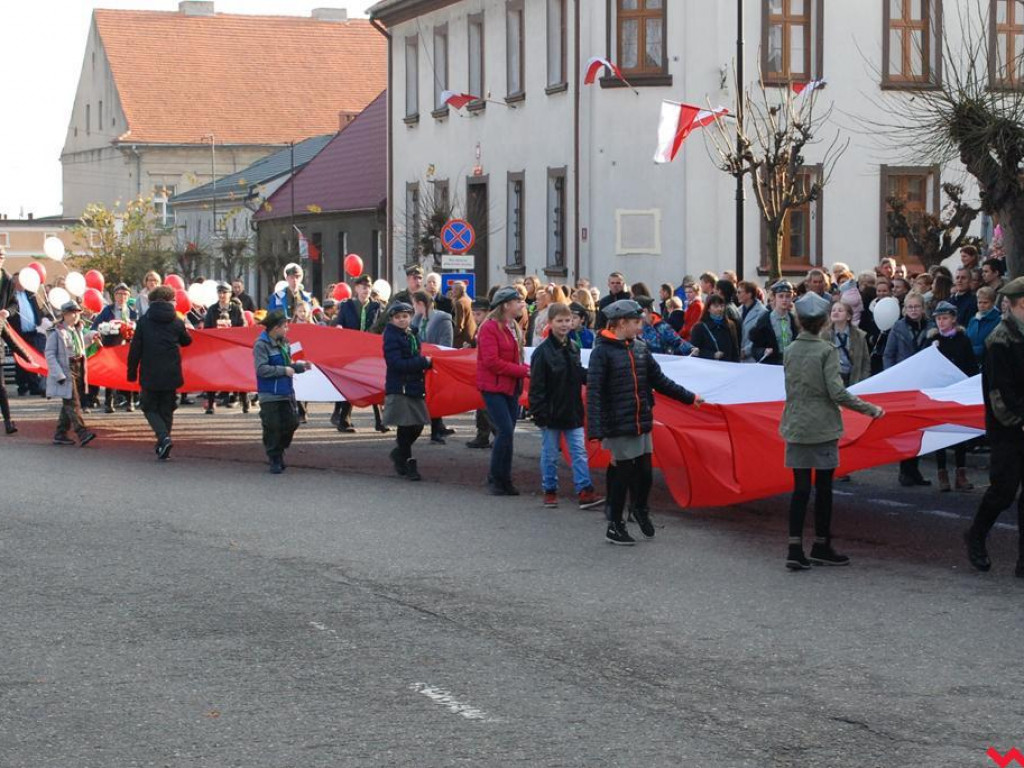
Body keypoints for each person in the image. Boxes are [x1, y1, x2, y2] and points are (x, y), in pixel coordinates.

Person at [781, 292, 884, 570]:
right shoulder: (826, 351)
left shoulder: (790, 350)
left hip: (796, 423)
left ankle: (794, 547)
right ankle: (821, 544)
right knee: (824, 488)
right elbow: (836, 392)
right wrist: (869, 409)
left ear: (799, 321)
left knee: (800, 489)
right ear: (825, 321)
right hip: (823, 426)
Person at [587, 299, 703, 545]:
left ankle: (639, 509)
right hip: (618, 423)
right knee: (623, 475)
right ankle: (615, 524)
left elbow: (660, 380)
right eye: (636, 322)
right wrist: (596, 429)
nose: (641, 326)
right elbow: (595, 392)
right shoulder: (602, 352)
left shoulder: (640, 348)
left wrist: (689, 397)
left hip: (641, 421)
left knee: (645, 474)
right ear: (621, 323)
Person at [964, 277, 1024, 578]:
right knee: (1003, 491)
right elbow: (999, 394)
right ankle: (976, 535)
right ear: (1021, 304)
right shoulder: (1000, 340)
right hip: (1008, 429)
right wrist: (1019, 422)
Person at [528, 302, 604, 509]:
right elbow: (536, 386)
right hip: (551, 412)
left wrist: (597, 379)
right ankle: (550, 490)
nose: (564, 325)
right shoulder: (542, 352)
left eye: (567, 320)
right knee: (550, 454)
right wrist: (538, 413)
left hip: (572, 409)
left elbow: (578, 374)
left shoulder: (573, 347)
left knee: (579, 451)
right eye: (559, 321)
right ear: (550, 323)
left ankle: (584, 490)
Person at [126, 285, 192, 460]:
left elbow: (135, 349)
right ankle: (164, 441)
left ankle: (163, 438)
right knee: (167, 408)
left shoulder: (144, 321)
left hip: (150, 370)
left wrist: (131, 370)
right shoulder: (177, 321)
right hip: (171, 371)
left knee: (148, 406)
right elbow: (187, 341)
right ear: (171, 300)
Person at [476, 286, 531, 495]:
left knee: (507, 434)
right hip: (493, 387)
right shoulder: (490, 327)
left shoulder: (513, 326)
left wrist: (520, 371)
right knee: (505, 430)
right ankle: (497, 477)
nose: (521, 305)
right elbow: (491, 362)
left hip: (510, 386)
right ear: (506, 305)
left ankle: (504, 478)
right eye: (518, 301)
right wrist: (523, 371)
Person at [883, 292, 934, 486]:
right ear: (905, 309)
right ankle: (905, 470)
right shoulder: (898, 327)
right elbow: (889, 354)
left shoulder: (931, 327)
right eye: (910, 307)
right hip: (903, 384)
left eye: (917, 307)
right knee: (905, 429)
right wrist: (893, 376)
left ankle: (914, 469)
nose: (913, 310)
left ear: (922, 308)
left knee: (920, 429)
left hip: (924, 384)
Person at [927, 301, 977, 492]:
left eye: (945, 318)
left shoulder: (963, 340)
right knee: (939, 433)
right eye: (938, 319)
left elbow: (970, 365)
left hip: (958, 391)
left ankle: (960, 474)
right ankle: (942, 473)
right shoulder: (932, 341)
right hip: (939, 392)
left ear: (954, 319)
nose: (941, 322)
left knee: (959, 434)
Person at [382, 301, 433, 481]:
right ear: (392, 319)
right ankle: (408, 461)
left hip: (413, 385)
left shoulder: (411, 334)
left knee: (418, 424)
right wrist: (422, 363)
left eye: (405, 316)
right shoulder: (391, 337)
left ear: (410, 317)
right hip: (400, 386)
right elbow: (396, 363)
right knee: (405, 425)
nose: (402, 320)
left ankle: (399, 453)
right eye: (398, 317)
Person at [253, 311, 309, 474]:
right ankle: (274, 457)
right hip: (269, 393)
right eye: (284, 327)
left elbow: (288, 364)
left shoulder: (285, 343)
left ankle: (279, 449)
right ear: (275, 328)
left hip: (286, 391)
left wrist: (299, 367)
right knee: (273, 426)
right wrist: (284, 370)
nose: (287, 330)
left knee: (292, 423)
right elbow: (261, 369)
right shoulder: (261, 345)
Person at [332, 274, 387, 433]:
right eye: (363, 287)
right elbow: (339, 323)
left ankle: (380, 421)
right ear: (356, 288)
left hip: (370, 351)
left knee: (374, 383)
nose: (366, 290)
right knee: (350, 384)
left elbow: (381, 327)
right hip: (351, 351)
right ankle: (344, 420)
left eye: (368, 287)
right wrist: (338, 328)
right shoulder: (347, 305)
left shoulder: (376, 307)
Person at [45, 300, 98, 447]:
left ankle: (60, 433)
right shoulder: (56, 332)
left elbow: (79, 347)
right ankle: (82, 432)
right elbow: (50, 354)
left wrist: (90, 338)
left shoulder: (78, 330)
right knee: (73, 402)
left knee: (69, 402)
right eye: (71, 313)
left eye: (77, 313)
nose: (75, 316)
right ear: (64, 315)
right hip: (66, 368)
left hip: (79, 365)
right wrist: (58, 374)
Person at [412, 290, 455, 444]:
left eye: (414, 304)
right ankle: (438, 428)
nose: (413, 308)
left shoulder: (442, 320)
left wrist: (432, 355)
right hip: (421, 363)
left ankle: (436, 431)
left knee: (435, 396)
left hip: (435, 364)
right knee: (427, 397)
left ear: (421, 304)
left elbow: (445, 344)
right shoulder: (417, 320)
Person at [92, 283, 139, 413]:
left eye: (125, 294)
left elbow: (138, 328)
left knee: (128, 373)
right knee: (110, 373)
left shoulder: (133, 312)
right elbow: (96, 326)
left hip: (127, 346)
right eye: (119, 294)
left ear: (128, 296)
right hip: (111, 345)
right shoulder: (108, 310)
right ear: (114, 296)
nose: (122, 297)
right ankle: (109, 402)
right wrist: (103, 330)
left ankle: (130, 401)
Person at [11, 272, 46, 396]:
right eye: (18, 281)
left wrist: (40, 321)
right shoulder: (10, 296)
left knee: (33, 358)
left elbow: (36, 309)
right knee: (20, 360)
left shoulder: (30, 294)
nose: (21, 283)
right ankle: (22, 385)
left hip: (33, 332)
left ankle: (34, 385)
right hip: (17, 333)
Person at [466, 297, 495, 449]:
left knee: (488, 407)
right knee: (481, 404)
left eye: (479, 314)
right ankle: (482, 435)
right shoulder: (481, 327)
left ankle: (498, 435)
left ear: (488, 312)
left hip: (490, 373)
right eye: (474, 314)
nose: (476, 318)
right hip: (482, 371)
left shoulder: (490, 327)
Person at [749, 281, 797, 365]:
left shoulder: (793, 320)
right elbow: (755, 347)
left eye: (788, 296)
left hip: (791, 364)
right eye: (781, 296)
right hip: (772, 365)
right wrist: (763, 351)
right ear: (774, 298)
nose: (784, 300)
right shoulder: (765, 320)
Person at [828, 301, 870, 386]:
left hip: (853, 378)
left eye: (840, 311)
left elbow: (865, 361)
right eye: (833, 310)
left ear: (848, 316)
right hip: (833, 379)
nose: (836, 312)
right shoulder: (824, 336)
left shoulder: (859, 336)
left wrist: (863, 380)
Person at [690, 295, 740, 362]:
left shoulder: (730, 325)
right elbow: (694, 351)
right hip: (708, 366)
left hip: (728, 366)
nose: (719, 309)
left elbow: (735, 349)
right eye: (716, 306)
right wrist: (712, 355)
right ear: (708, 309)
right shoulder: (699, 327)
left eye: (722, 306)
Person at [966, 286, 1001, 368]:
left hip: (989, 363)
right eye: (979, 302)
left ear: (992, 303)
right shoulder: (973, 320)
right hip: (972, 363)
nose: (981, 305)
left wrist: (974, 350)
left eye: (985, 303)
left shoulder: (998, 320)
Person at [737, 280, 768, 362]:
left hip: (753, 358)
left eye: (739, 292)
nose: (737, 295)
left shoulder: (762, 312)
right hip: (739, 358)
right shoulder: (738, 311)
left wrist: (745, 351)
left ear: (749, 294)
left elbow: (760, 338)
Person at [450, 281, 476, 348]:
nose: (452, 292)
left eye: (455, 290)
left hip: (462, 340)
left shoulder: (459, 303)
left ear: (460, 290)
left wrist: (451, 337)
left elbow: (459, 325)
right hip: (471, 336)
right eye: (452, 289)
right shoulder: (469, 300)